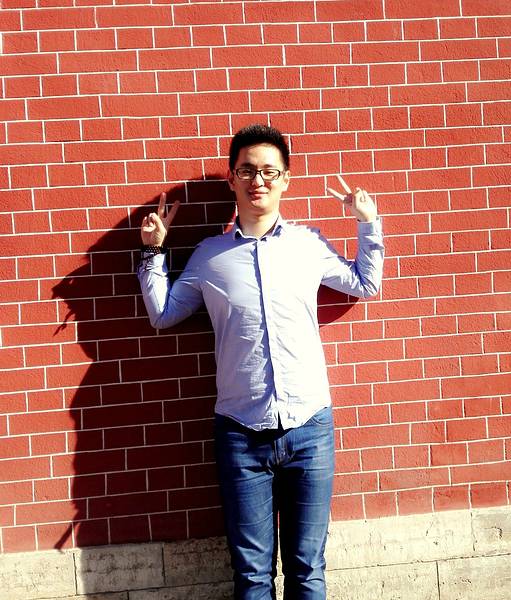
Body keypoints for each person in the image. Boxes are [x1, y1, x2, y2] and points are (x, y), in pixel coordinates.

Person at [137, 124, 384, 600]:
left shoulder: (308, 244)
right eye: (248, 170)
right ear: (233, 178)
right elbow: (163, 315)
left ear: (286, 179)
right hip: (240, 432)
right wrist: (154, 252)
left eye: (270, 171)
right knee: (251, 577)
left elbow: (365, 284)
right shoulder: (210, 256)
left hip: (310, 427)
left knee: (308, 570)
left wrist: (367, 223)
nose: (259, 180)